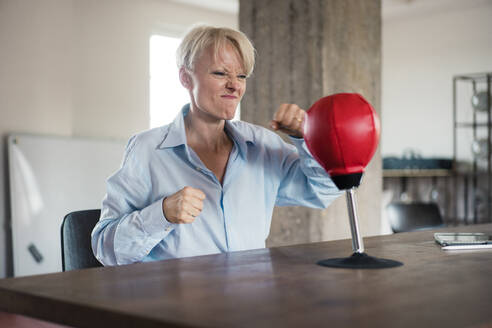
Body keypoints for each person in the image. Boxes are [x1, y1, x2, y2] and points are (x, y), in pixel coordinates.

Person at [91, 25, 341, 266]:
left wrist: (305, 139)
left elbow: (327, 189)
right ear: (185, 78)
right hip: (175, 305)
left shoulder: (263, 146)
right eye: (221, 73)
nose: (234, 85)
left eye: (241, 75)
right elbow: (106, 249)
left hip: (251, 300)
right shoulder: (147, 150)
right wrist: (162, 214)